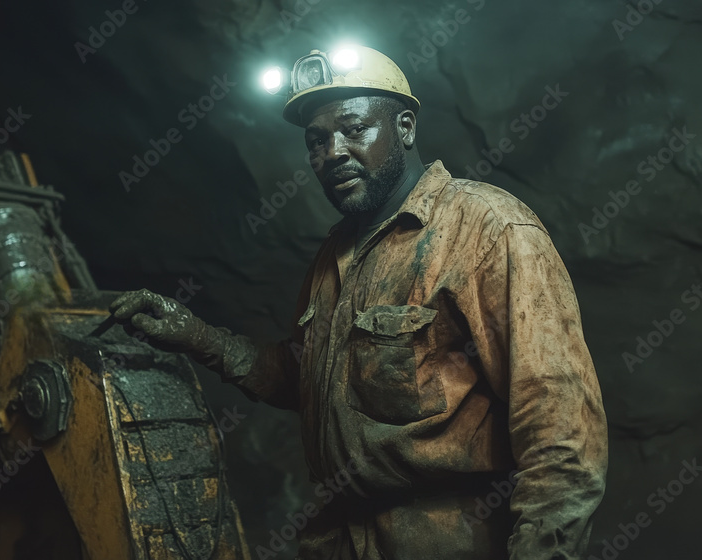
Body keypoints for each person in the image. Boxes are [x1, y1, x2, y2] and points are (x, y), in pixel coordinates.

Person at [108, 45, 608, 560]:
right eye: (317, 140)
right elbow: (305, 378)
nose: (333, 152)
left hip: (449, 539)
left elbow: (562, 435)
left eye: (354, 128)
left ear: (405, 127)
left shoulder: (486, 228)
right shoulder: (336, 253)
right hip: (339, 538)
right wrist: (196, 337)